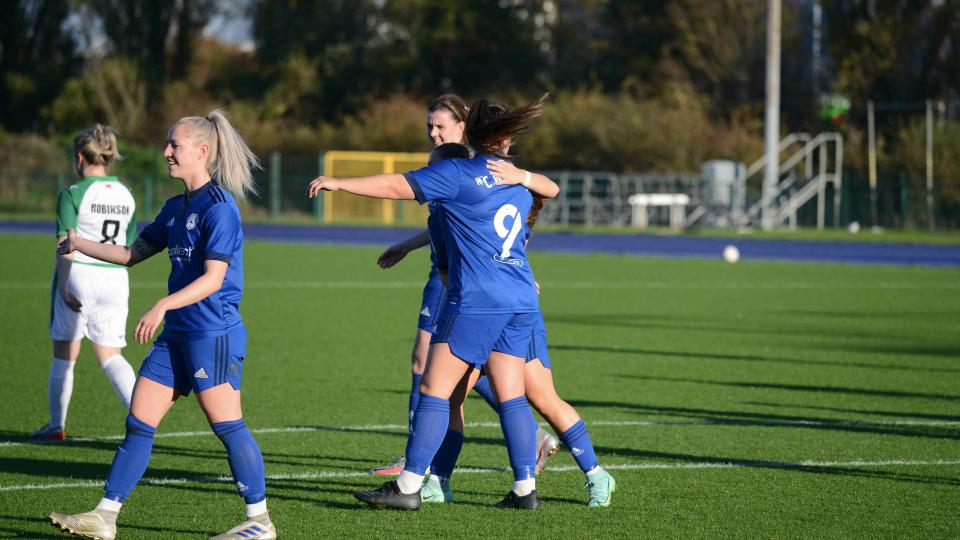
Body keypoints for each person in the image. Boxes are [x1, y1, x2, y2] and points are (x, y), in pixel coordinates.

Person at [309, 94, 554, 510]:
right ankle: (524, 490)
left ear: (471, 135)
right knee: (511, 394)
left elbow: (396, 185)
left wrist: (340, 183)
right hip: (520, 299)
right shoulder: (517, 179)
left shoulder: (457, 172)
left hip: (478, 298)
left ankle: (406, 488)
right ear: (506, 140)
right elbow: (547, 190)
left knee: (434, 389)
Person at [49, 110, 276, 540]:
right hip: (177, 336)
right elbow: (132, 253)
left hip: (214, 333)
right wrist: (79, 243)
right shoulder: (176, 208)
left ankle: (260, 520)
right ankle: (106, 515)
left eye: (175, 145)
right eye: (168, 144)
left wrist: (161, 306)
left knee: (227, 425)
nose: (166, 151)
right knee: (139, 420)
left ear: (202, 152)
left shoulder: (220, 208)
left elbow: (214, 278)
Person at [371, 94, 559, 476]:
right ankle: (520, 449)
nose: (433, 133)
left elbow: (491, 229)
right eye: (429, 126)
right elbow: (444, 224)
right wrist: (407, 246)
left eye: (441, 126)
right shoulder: (447, 168)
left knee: (433, 368)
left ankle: (417, 464)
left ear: (463, 129)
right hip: (447, 273)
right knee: (460, 371)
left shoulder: (463, 169)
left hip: (462, 281)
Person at [420, 191, 617, 508]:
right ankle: (439, 482)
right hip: (477, 310)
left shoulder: (493, 207)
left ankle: (596, 475)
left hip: (510, 312)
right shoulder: (468, 205)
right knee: (452, 396)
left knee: (542, 397)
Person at [33, 125, 138, 441]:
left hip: (80, 273)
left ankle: (56, 426)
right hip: (116, 278)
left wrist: (64, 286)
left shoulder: (73, 193)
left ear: (80, 157)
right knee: (112, 356)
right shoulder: (127, 195)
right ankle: (144, 421)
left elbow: (65, 244)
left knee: (65, 354)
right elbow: (128, 245)